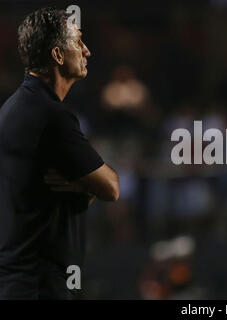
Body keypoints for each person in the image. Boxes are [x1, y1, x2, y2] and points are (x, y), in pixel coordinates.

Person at [0, 7, 120, 299]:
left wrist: (80, 187)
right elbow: (111, 187)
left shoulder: (15, 107)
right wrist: (85, 185)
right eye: (78, 42)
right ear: (57, 55)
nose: (87, 51)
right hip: (40, 285)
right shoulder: (52, 116)